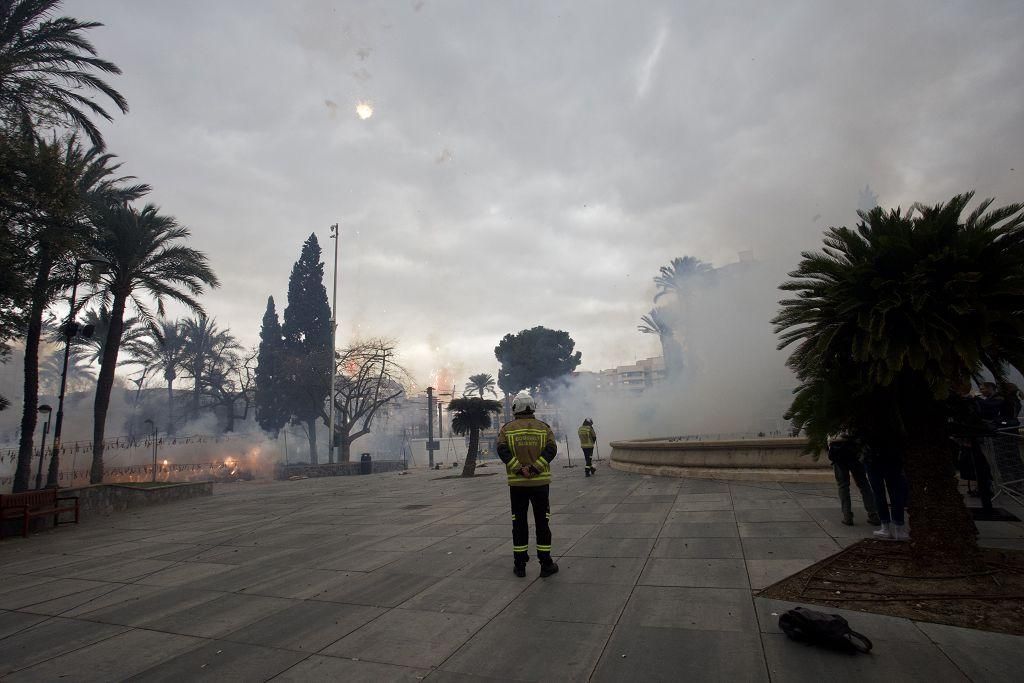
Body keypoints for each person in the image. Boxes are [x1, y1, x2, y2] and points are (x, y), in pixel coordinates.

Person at [497, 391, 559, 578]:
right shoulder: (544, 428)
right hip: (540, 484)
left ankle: (520, 565)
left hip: (517, 486)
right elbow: (551, 450)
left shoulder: (507, 429)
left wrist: (519, 469)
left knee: (519, 523)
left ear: (515, 408)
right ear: (532, 408)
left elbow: (502, 450)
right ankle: (546, 564)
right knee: (542, 522)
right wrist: (534, 469)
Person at [826, 432, 880, 527]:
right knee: (863, 484)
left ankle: (847, 516)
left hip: (837, 450)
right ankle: (873, 514)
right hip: (853, 449)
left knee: (843, 486)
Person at [863, 438, 910, 541]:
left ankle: (885, 527)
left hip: (873, 457)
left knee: (878, 494)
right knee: (896, 492)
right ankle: (899, 528)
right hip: (892, 455)